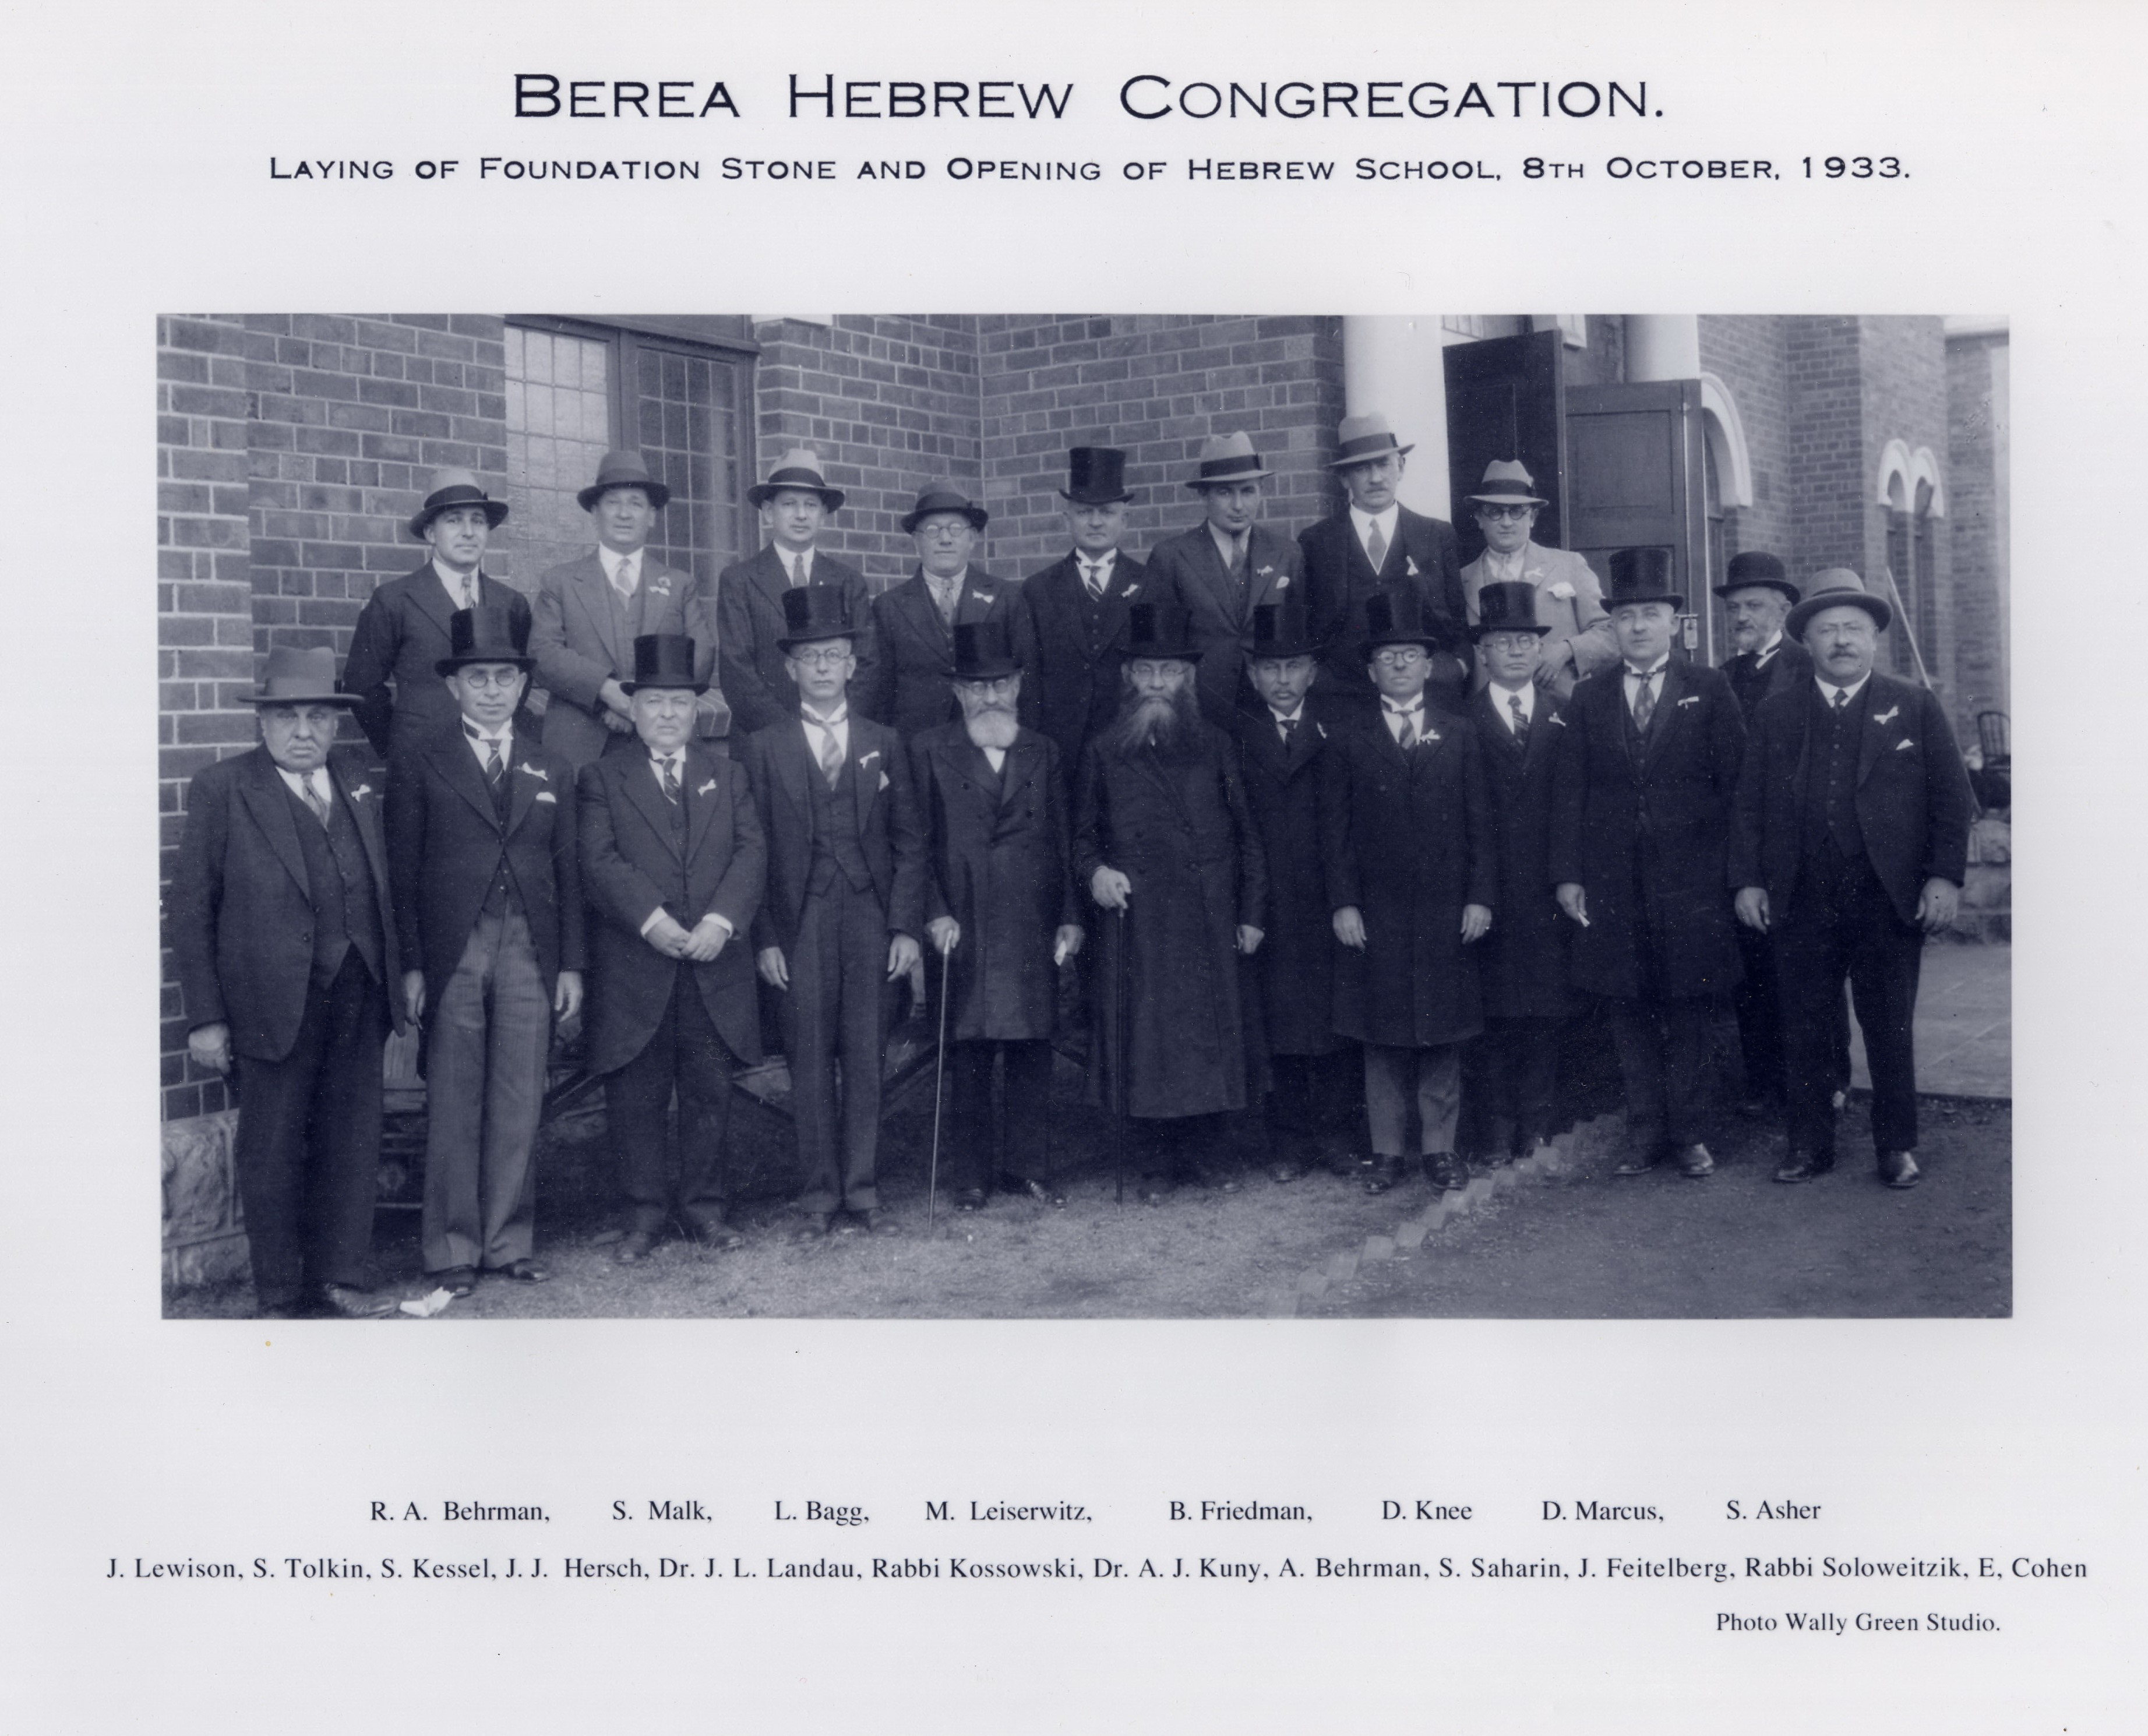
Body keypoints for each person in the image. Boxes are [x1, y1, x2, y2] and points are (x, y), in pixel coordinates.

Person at [169, 647, 405, 1319]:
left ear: (337, 725)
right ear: (264, 724)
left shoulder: (357, 777)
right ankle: (279, 1291)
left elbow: (382, 886)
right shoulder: (224, 789)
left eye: (318, 717)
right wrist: (206, 1018)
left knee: (352, 1135)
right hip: (267, 1002)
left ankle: (339, 1277)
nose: (305, 731)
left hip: (357, 989)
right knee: (271, 1145)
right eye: (288, 717)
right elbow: (191, 910)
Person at [1731, 568, 1973, 1190]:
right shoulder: (1778, 713)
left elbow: (1953, 801)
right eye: (1828, 630)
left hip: (1885, 896)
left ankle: (1896, 1146)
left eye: (1853, 629)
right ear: (1806, 642)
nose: (1841, 641)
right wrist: (1749, 881)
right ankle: (1810, 1144)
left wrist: (1943, 878)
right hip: (1801, 894)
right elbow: (1749, 805)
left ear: (1874, 639)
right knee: (1805, 1023)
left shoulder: (1912, 704)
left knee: (1888, 1023)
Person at [385, 606, 584, 1296]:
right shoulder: (421, 761)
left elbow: (569, 873)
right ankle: (452, 1249)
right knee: (456, 1096)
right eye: (479, 678)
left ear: (524, 686)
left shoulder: (548, 763)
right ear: (455, 687)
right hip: (455, 948)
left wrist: (571, 966)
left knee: (520, 1094)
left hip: (530, 944)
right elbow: (403, 873)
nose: (493, 690)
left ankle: (508, 1240)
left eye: (505, 677)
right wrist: (412, 962)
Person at [1549, 548, 1745, 1180]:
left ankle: (1689, 1133)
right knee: (1629, 1008)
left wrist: (1732, 874)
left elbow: (1736, 787)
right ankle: (1643, 1132)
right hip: (1612, 881)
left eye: (1651, 614)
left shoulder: (1709, 689)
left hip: (1691, 882)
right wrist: (1570, 873)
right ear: (1612, 626)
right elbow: (1570, 792)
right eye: (1626, 615)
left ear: (1674, 623)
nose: (1637, 626)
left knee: (1688, 1006)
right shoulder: (1589, 695)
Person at [740, 585, 926, 1236]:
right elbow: (752, 852)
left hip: (870, 917)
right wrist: (764, 937)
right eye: (810, 657)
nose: (822, 667)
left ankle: (863, 1188)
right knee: (810, 1054)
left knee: (867, 1053)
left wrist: (905, 926)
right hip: (800, 920)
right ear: (790, 669)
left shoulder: (885, 741)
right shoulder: (764, 747)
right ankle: (820, 1193)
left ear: (853, 665)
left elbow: (910, 841)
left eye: (834, 656)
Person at [577, 633, 767, 1261]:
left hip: (714, 964)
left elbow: (751, 851)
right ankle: (643, 1215)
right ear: (633, 710)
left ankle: (706, 1209)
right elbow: (599, 860)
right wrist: (651, 920)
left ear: (696, 711)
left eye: (679, 703)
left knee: (710, 1092)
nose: (666, 714)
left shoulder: (728, 773)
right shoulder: (603, 777)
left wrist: (721, 921)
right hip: (639, 964)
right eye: (654, 702)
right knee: (637, 1095)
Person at [1072, 602, 1267, 1201]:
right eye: (1147, 671)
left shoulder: (1215, 744)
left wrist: (1251, 912)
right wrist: (1097, 871)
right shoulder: (1104, 750)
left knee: (1207, 1037)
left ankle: (1203, 1155)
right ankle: (1154, 1160)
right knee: (1149, 1042)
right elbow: (1081, 838)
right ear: (1129, 679)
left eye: (1170, 672)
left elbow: (1246, 834)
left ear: (1188, 680)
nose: (1158, 683)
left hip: (1207, 913)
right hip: (1141, 921)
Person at [1320, 588, 1495, 1194]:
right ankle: (1388, 1151)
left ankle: (1440, 1151)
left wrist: (1479, 896)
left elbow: (1481, 823)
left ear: (1429, 666)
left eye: (1411, 655)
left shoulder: (1460, 732)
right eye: (1387, 656)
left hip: (1447, 908)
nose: (1399, 665)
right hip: (1378, 910)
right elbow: (1334, 830)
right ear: (1370, 671)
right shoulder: (1347, 737)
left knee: (1443, 1032)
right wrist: (1344, 901)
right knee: (1383, 1033)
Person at [911, 622, 1083, 1211]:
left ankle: (1027, 1167)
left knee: (1034, 1046)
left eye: (1001, 685)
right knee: (970, 1050)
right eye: (976, 686)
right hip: (963, 917)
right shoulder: (929, 748)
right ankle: (972, 1176)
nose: (990, 697)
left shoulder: (1044, 749)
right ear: (957, 692)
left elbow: (1062, 839)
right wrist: (933, 911)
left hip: (1029, 918)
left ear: (1018, 686)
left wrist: (1069, 915)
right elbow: (917, 843)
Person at [1233, 598, 1352, 1183]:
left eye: (1294, 667)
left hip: (1327, 896)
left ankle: (1333, 1134)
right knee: (1278, 1022)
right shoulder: (1236, 733)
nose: (1283, 681)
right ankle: (1286, 1140)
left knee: (1331, 1020)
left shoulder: (1340, 728)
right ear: (1253, 675)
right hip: (1266, 901)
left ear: (1313, 671)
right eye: (1270, 669)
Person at [1467, 580, 1575, 1166]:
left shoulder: (1564, 716)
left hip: (1548, 887)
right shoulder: (1462, 722)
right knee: (1494, 1016)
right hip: (1489, 891)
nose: (1513, 651)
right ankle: (1495, 1128)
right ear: (1482, 653)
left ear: (1538, 650)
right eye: (1500, 642)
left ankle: (1536, 1125)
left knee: (1545, 1013)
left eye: (1523, 641)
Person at [1714, 549, 1821, 1117]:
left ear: (1784, 608)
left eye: (1754, 605)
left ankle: (1820, 1084)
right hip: (1744, 847)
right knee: (1752, 970)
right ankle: (1763, 1084)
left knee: (1807, 973)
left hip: (1800, 848)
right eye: (1735, 608)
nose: (1743, 617)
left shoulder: (1809, 666)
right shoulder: (1725, 676)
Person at [345, 468, 532, 760]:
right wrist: (399, 747)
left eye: (478, 521)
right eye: (454, 520)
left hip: (494, 761)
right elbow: (362, 686)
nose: (468, 532)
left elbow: (522, 679)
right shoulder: (395, 600)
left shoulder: (511, 603)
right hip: (419, 761)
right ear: (431, 533)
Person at [528, 450, 696, 771]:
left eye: (636, 503)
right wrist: (606, 692)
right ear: (595, 512)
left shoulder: (679, 584)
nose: (624, 513)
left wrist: (641, 702)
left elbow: (699, 654)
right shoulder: (560, 581)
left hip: (662, 740)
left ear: (651, 516)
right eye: (613, 502)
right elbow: (543, 653)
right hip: (579, 744)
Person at [1297, 412, 1468, 722]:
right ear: (1344, 478)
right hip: (1340, 698)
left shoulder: (1436, 535)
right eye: (1362, 468)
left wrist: (1458, 666)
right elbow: (1306, 626)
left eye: (1384, 464)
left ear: (1401, 467)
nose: (1375, 478)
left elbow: (1457, 619)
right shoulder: (1316, 541)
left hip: (1425, 696)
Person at [1142, 432, 1306, 729]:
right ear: (1203, 495)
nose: (1238, 505)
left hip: (1269, 714)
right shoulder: (1172, 556)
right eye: (1225, 493)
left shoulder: (1286, 553)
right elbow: (1159, 650)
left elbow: (1300, 641)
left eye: (1247, 491)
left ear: (1261, 491)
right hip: (1200, 714)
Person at [714, 447, 879, 738]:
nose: (801, 515)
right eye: (789, 504)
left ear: (824, 514)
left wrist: (832, 729)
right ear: (768, 512)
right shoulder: (739, 580)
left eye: (811, 505)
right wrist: (792, 737)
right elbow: (737, 671)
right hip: (764, 739)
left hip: (836, 741)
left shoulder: (848, 581)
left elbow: (865, 664)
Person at [1015, 446, 1151, 792]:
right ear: (1067, 519)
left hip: (1127, 742)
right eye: (1084, 512)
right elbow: (1028, 678)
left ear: (1125, 520)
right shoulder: (1038, 589)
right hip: (1059, 745)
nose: (1095, 522)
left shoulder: (1150, 585)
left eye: (1106, 512)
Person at [860, 482, 1022, 739]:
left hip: (986, 747)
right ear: (916, 541)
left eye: (956, 529)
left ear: (972, 538)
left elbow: (1024, 685)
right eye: (933, 530)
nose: (945, 539)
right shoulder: (889, 606)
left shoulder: (1006, 598)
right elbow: (880, 693)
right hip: (914, 750)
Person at [1456, 460, 1617, 700]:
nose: (1507, 522)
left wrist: (1567, 650)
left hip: (1560, 709)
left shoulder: (1569, 566)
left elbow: (1612, 633)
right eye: (1495, 512)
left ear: (1532, 517)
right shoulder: (1463, 580)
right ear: (1480, 518)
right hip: (1488, 719)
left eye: (1517, 511)